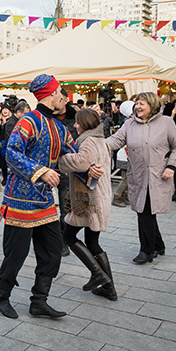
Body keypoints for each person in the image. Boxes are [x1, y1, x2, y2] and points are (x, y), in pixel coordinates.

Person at [0, 74, 78, 320]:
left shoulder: (59, 127)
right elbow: (11, 152)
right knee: (16, 255)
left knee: (52, 252)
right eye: (62, 91)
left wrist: (89, 166)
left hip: (44, 202)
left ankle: (39, 302)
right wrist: (41, 171)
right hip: (20, 200)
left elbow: (71, 154)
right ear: (53, 94)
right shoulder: (28, 121)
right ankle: (2, 297)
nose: (65, 96)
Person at [106, 92, 176, 264]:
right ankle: (158, 245)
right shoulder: (129, 124)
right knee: (144, 211)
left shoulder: (166, 122)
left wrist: (172, 166)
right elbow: (115, 140)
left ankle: (146, 250)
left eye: (142, 103)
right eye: (137, 104)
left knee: (145, 212)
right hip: (138, 176)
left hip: (158, 176)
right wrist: (97, 146)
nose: (138, 107)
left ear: (152, 105)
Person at [58, 108, 116, 301]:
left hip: (90, 198)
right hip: (98, 196)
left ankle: (98, 274)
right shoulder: (100, 140)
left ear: (85, 124)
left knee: (69, 234)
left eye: (77, 123)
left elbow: (82, 162)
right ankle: (109, 286)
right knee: (92, 241)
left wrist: (60, 159)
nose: (75, 126)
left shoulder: (88, 141)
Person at [54, 89, 79, 257]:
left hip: (66, 171)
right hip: (45, 170)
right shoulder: (45, 118)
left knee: (65, 209)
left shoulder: (76, 119)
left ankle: (63, 242)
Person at [112, 101, 134, 207]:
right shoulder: (129, 123)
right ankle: (117, 197)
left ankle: (124, 196)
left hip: (129, 156)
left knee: (130, 178)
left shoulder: (129, 122)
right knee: (126, 178)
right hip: (125, 156)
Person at [0, 105, 13, 186]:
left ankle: (11, 178)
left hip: (9, 142)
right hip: (2, 143)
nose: (5, 111)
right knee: (3, 162)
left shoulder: (11, 120)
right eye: (3, 109)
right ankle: (5, 178)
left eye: (7, 109)